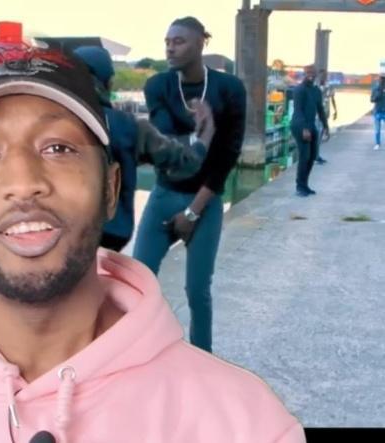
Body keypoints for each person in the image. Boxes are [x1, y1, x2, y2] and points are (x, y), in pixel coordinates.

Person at [0, 42, 304, 443]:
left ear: (110, 187)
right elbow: (185, 161)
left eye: (59, 147)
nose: (24, 183)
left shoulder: (245, 424)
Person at [133, 17, 246, 354]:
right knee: (138, 281)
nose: (170, 48)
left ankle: (202, 357)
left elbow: (227, 156)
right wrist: (203, 135)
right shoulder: (158, 85)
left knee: (197, 291)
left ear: (200, 43)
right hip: (164, 195)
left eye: (179, 41)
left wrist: (193, 213)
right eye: (167, 41)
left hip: (205, 201)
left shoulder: (229, 89)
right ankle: (140, 354)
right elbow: (167, 146)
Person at [72, 45, 215, 252]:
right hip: (110, 238)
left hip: (58, 236)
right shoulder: (130, 127)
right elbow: (185, 162)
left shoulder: (48, 123)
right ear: (108, 82)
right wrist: (204, 137)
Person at [291, 64, 329, 197]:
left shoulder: (316, 91)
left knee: (312, 156)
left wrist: (326, 126)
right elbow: (298, 111)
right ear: (304, 73)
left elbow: (320, 109)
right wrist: (304, 129)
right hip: (299, 125)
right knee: (304, 156)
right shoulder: (299, 90)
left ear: (316, 74)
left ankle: (305, 185)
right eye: (308, 73)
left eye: (313, 73)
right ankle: (299, 187)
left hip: (311, 125)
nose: (310, 75)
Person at [314, 69, 337, 164]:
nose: (324, 77)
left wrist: (336, 111)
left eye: (325, 76)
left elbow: (333, 99)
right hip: (316, 114)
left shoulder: (329, 86)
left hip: (325, 113)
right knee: (317, 134)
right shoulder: (315, 87)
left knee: (320, 135)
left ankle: (316, 155)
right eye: (322, 75)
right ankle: (315, 156)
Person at [372, 73, 385, 150]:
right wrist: (378, 95)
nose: (383, 80)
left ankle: (377, 144)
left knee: (377, 129)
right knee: (377, 129)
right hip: (378, 111)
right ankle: (377, 143)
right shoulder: (376, 88)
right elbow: (372, 99)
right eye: (382, 78)